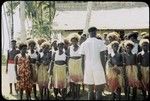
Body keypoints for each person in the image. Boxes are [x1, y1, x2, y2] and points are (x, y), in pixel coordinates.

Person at [79, 27, 107, 100]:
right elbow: (102, 58)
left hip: (88, 68)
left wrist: (83, 72)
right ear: (95, 32)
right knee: (98, 91)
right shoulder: (100, 42)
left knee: (90, 91)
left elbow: (82, 60)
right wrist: (104, 70)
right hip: (98, 67)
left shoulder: (83, 44)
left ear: (89, 33)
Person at [67, 34, 83, 100]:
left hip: (79, 63)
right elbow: (68, 57)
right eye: (72, 41)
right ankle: (73, 95)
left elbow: (82, 56)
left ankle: (77, 94)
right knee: (72, 81)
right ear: (71, 41)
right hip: (71, 64)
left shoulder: (80, 47)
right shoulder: (69, 48)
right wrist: (68, 66)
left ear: (77, 41)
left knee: (78, 81)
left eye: (75, 41)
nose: (74, 42)